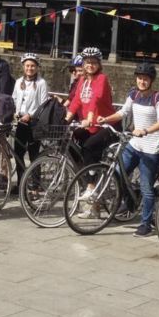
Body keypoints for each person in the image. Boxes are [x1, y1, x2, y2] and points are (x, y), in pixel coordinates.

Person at [98, 62, 159, 237]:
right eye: (140, 78)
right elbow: (123, 112)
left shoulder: (158, 97)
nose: (142, 81)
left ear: (151, 80)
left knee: (146, 187)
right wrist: (105, 119)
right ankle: (130, 202)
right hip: (134, 144)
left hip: (151, 148)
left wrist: (145, 130)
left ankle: (146, 224)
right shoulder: (133, 94)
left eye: (145, 79)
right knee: (118, 173)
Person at [64, 46, 117, 218]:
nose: (90, 65)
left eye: (94, 62)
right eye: (87, 62)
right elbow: (76, 101)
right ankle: (91, 194)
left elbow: (96, 99)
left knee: (88, 146)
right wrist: (66, 119)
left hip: (107, 125)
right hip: (91, 125)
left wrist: (89, 118)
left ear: (99, 64)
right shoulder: (82, 80)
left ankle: (91, 186)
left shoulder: (102, 79)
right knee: (71, 139)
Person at [12, 52, 49, 180]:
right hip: (20, 122)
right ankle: (21, 182)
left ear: (37, 67)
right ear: (23, 66)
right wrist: (15, 112)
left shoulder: (41, 83)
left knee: (34, 154)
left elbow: (44, 104)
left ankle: (35, 184)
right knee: (18, 153)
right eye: (27, 65)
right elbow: (14, 99)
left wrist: (31, 115)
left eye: (33, 66)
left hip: (34, 123)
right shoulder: (18, 82)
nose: (30, 68)